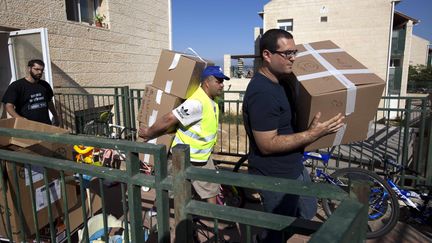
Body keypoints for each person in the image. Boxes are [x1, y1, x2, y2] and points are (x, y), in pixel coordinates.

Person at [242, 29, 345, 242]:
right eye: (287, 53)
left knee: (305, 211)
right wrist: (312, 134)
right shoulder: (262, 93)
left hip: (293, 166)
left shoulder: (282, 82)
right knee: (277, 231)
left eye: (295, 52)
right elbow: (267, 144)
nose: (293, 58)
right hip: (275, 175)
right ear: (267, 55)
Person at [139, 65, 230, 204]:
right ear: (206, 82)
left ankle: (214, 221)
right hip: (186, 157)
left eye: (222, 81)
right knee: (174, 191)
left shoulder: (212, 100)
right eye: (218, 81)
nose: (222, 85)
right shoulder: (196, 103)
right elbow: (169, 118)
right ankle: (158, 216)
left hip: (199, 156)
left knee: (205, 190)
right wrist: (148, 133)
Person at [2, 59, 59, 126]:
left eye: (42, 70)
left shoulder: (45, 85)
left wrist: (56, 116)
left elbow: (49, 102)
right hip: (27, 125)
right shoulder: (17, 85)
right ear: (29, 68)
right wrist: (19, 118)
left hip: (45, 124)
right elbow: (9, 106)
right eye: (37, 69)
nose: (40, 72)